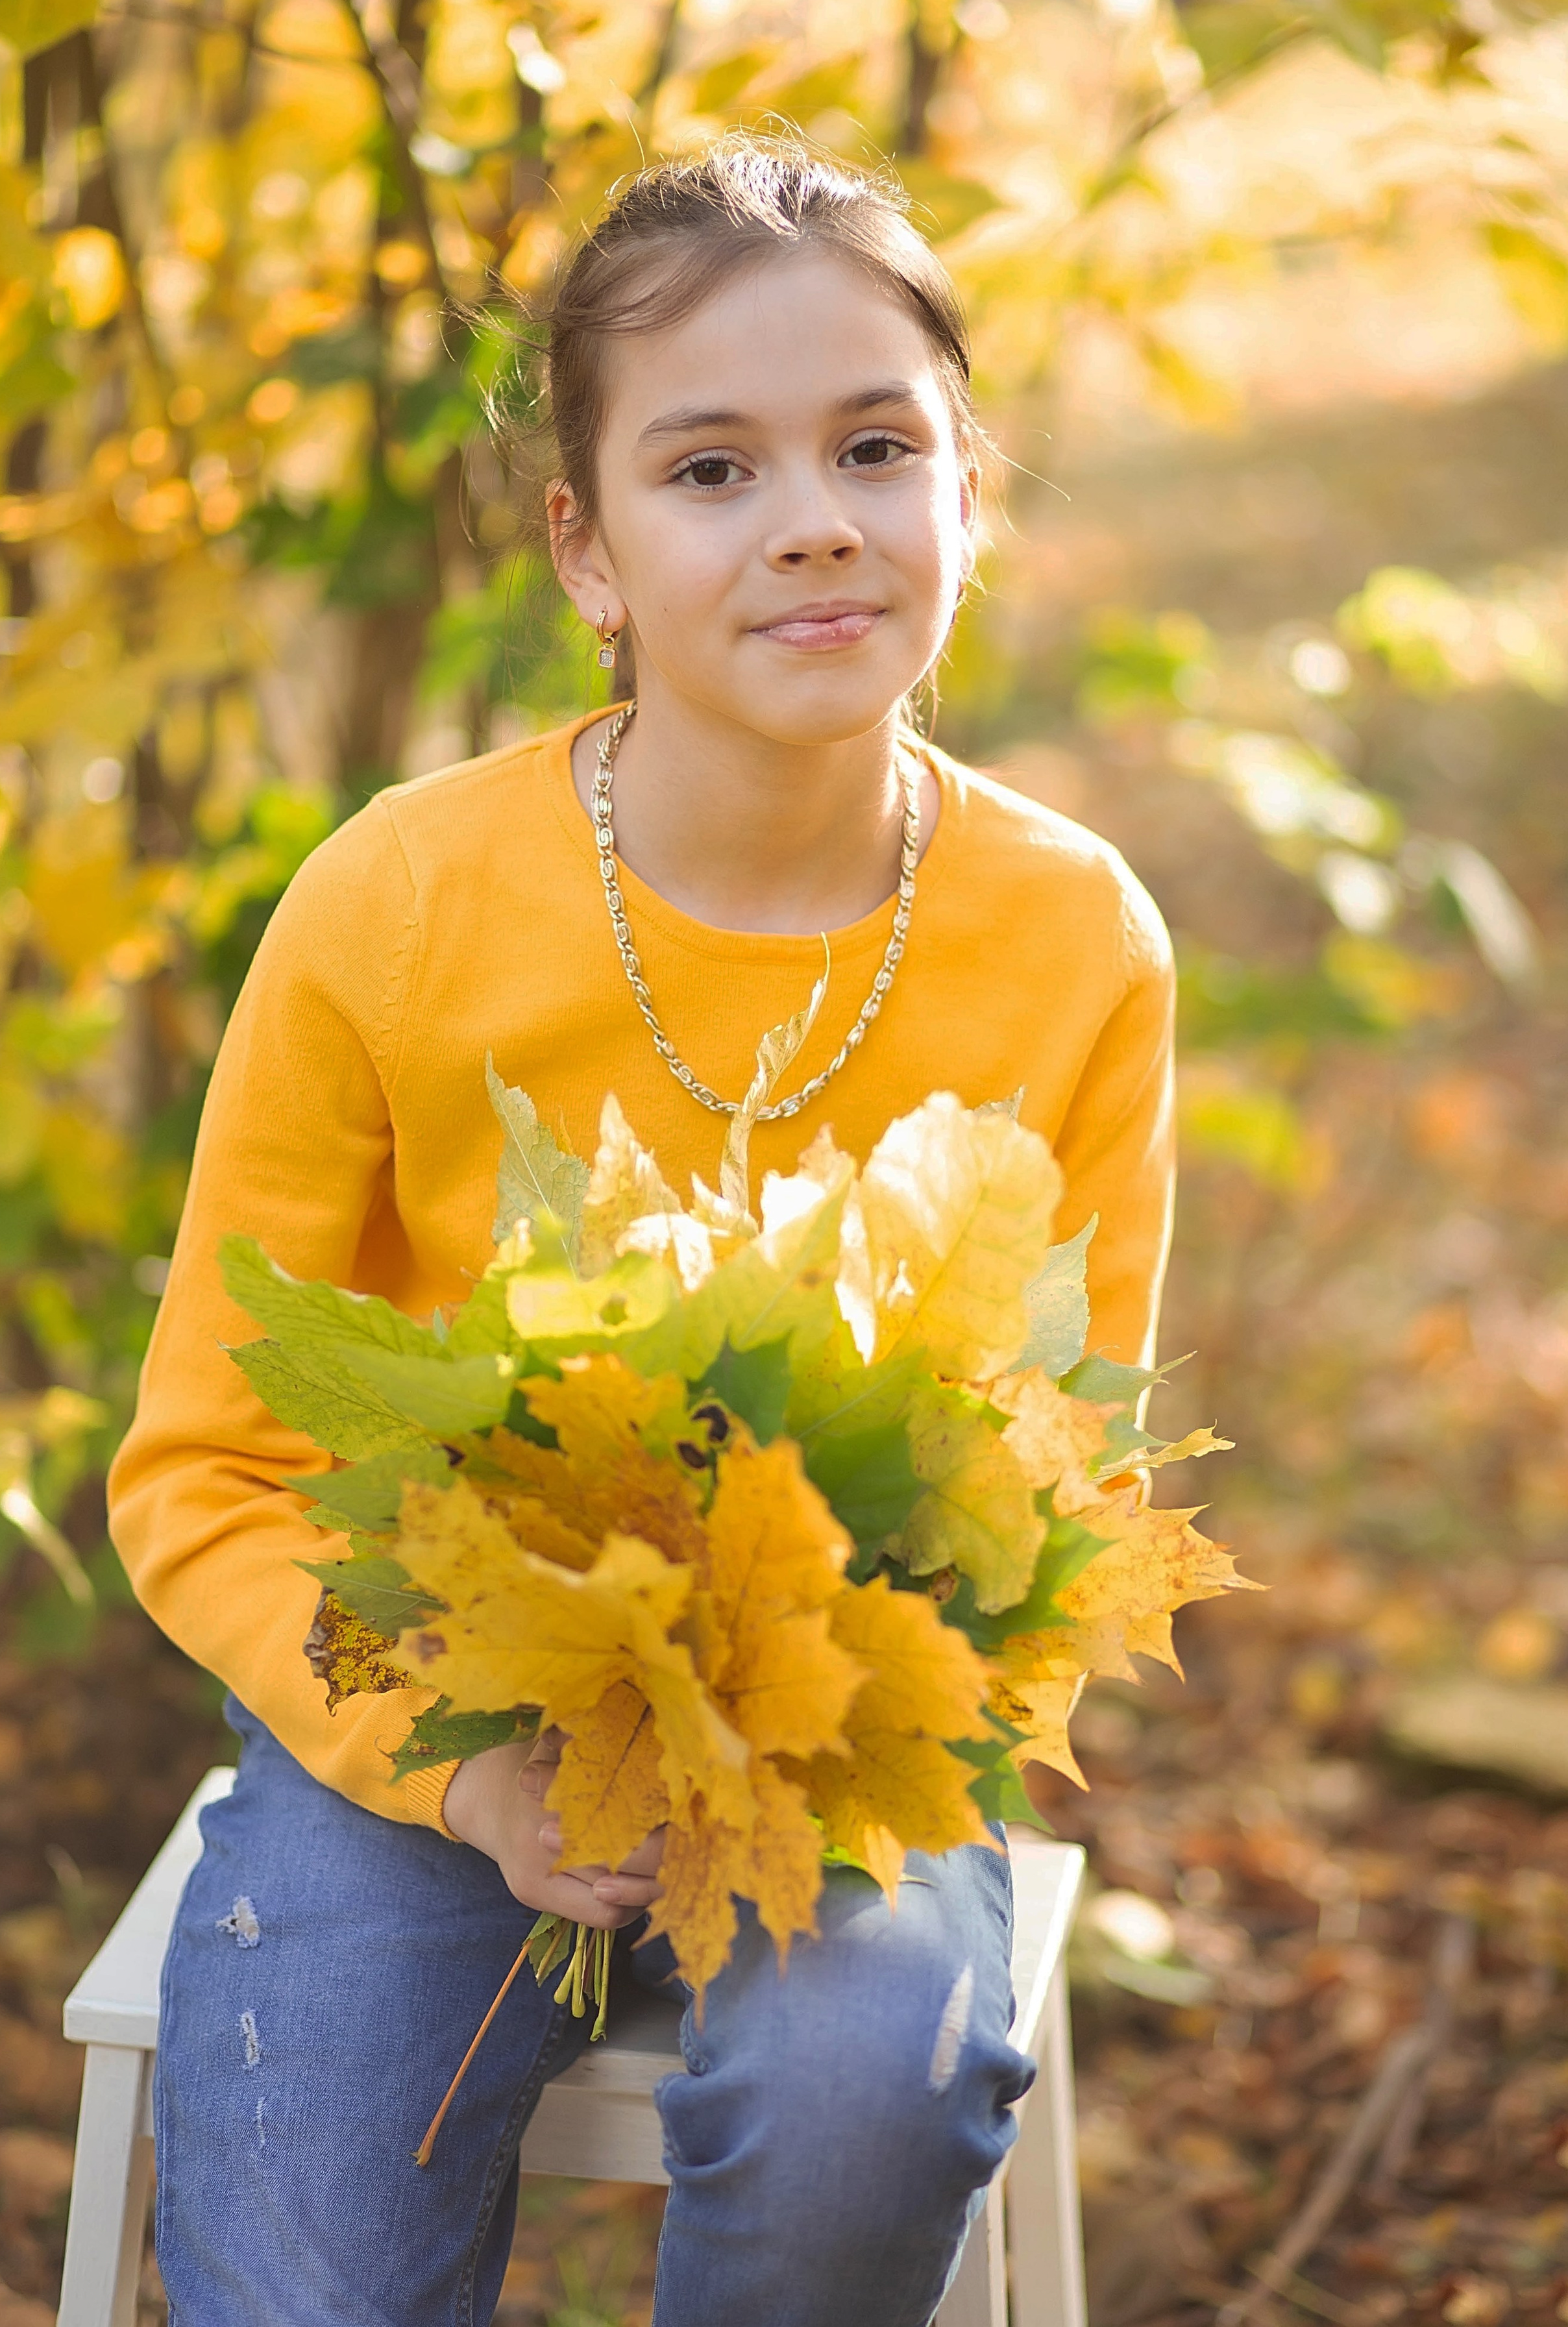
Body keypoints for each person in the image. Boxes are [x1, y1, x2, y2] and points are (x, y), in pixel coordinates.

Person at [108, 135, 1175, 2327]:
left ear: (964, 487)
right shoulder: (400, 907)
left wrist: (839, 1738)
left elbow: (1071, 1500)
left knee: (873, 2060)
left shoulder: (1073, 939)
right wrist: (474, 1777)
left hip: (846, 1719)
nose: (811, 518)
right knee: (310, 2217)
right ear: (585, 551)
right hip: (427, 1697)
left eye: (877, 447)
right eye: (712, 468)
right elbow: (200, 1464)